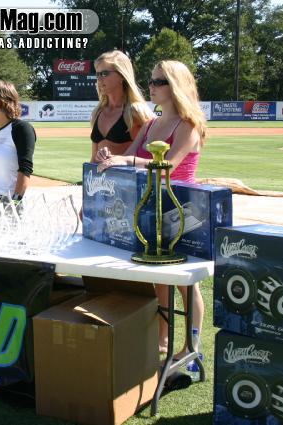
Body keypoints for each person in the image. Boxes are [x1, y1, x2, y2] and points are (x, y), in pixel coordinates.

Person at [97, 60, 207, 356]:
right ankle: (163, 339)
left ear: (176, 86)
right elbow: (129, 157)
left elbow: (169, 164)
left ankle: (192, 348)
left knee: (186, 284)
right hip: (150, 209)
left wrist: (127, 159)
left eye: (159, 82)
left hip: (181, 211)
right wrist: (111, 156)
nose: (152, 87)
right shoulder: (149, 125)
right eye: (151, 81)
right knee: (159, 279)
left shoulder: (188, 125)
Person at [89, 51, 153, 162]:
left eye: (104, 73)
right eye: (97, 74)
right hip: (99, 173)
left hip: (127, 173)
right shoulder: (97, 112)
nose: (99, 79)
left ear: (122, 76)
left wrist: (122, 160)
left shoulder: (135, 111)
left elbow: (155, 152)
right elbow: (93, 159)